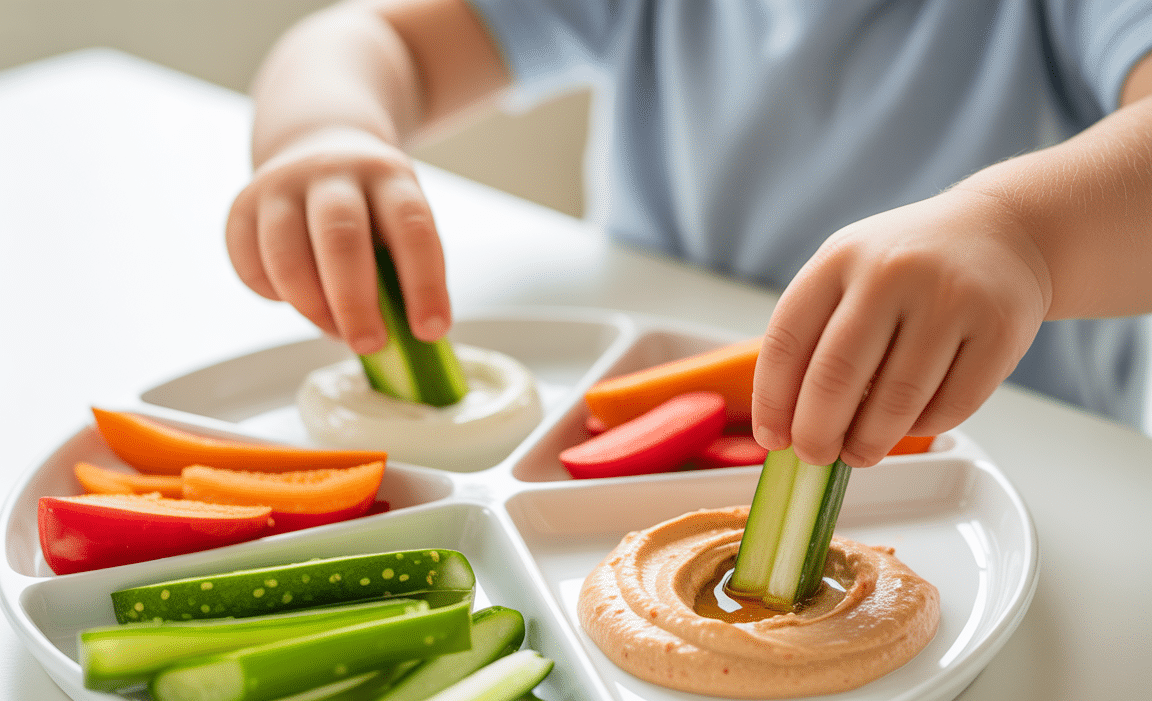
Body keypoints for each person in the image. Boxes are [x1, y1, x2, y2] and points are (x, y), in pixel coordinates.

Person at [226, 0, 1152, 468]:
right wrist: (324, 133)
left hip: (1015, 453)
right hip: (646, 431)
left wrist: (1021, 239)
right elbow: (373, 36)